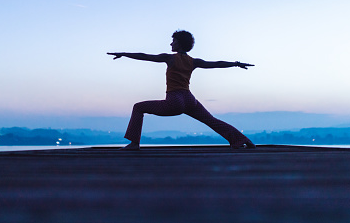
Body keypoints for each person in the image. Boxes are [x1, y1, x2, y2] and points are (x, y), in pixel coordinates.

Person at [107, 30, 256, 151]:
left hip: (175, 100)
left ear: (179, 43)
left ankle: (134, 144)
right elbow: (216, 64)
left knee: (138, 107)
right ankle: (242, 140)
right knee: (212, 121)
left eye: (173, 40)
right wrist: (236, 64)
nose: (171, 43)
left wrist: (124, 54)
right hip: (190, 100)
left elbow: (145, 56)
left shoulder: (170, 58)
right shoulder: (193, 61)